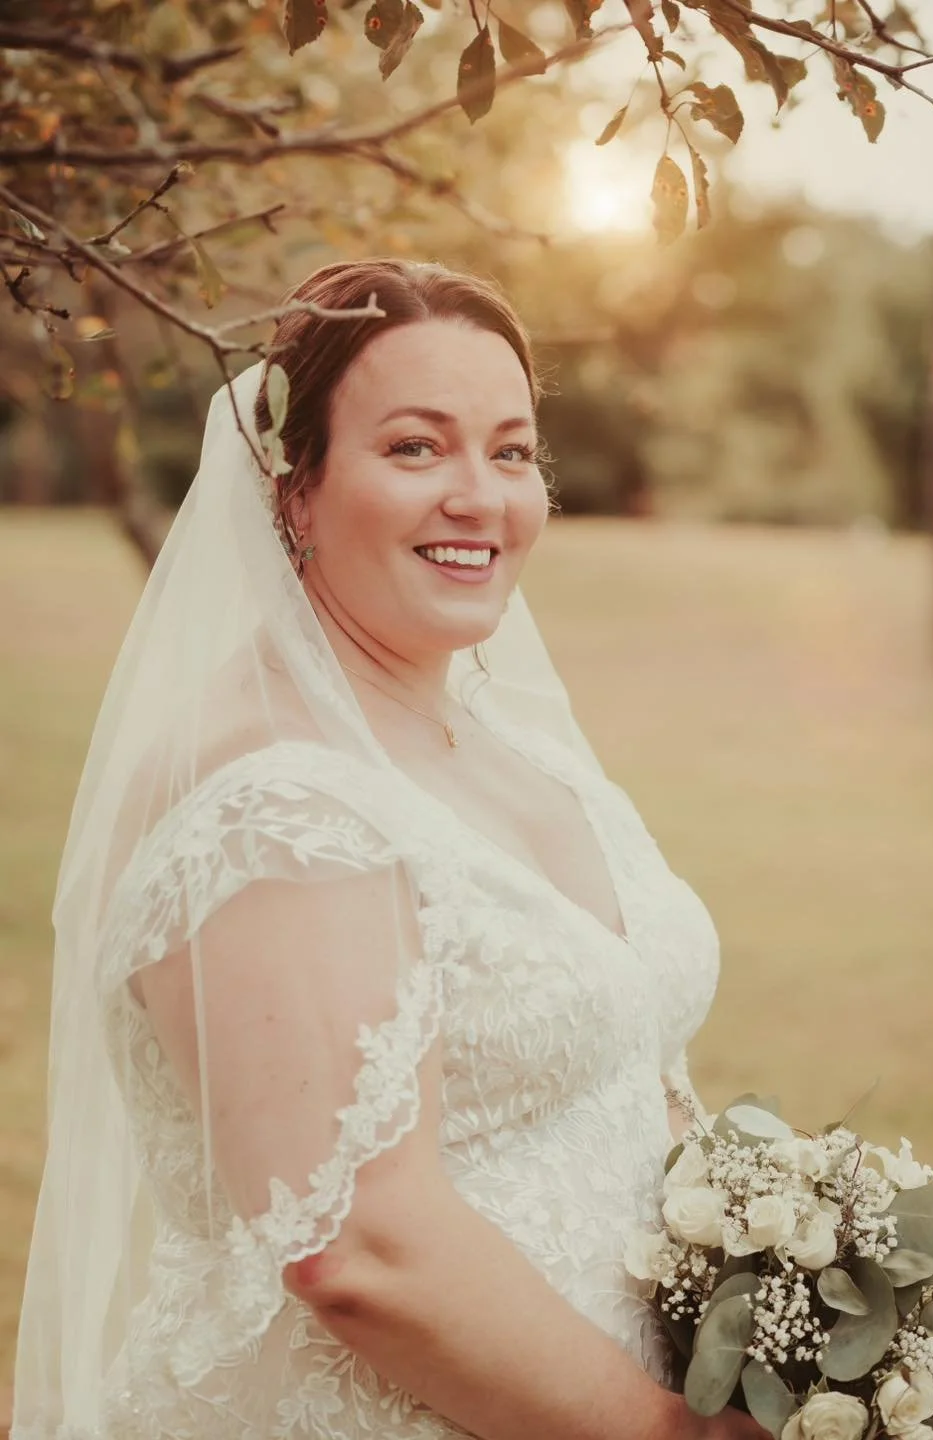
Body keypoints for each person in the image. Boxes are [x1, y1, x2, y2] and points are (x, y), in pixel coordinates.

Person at [13, 259, 763, 1440]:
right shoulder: (267, 802)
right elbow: (357, 1246)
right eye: (416, 449)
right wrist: (673, 1433)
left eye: (511, 452)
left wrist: (791, 1292)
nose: (481, 496)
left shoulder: (508, 738)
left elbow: (631, 1068)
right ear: (293, 491)